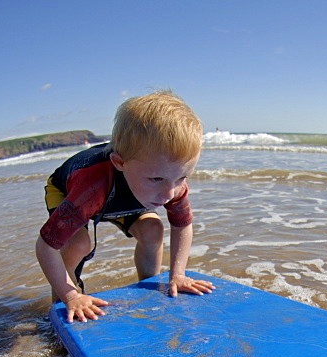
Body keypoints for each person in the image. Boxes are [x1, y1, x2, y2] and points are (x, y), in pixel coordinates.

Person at [35, 90, 214, 323]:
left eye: (182, 177)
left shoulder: (169, 181)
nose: (169, 193)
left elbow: (182, 226)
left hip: (122, 196)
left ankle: (150, 286)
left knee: (152, 229)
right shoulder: (92, 185)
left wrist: (178, 274)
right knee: (77, 243)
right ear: (120, 163)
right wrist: (71, 296)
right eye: (157, 179)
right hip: (70, 191)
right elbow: (45, 246)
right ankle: (63, 306)